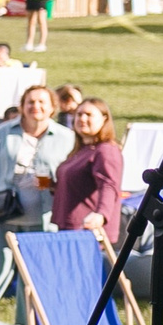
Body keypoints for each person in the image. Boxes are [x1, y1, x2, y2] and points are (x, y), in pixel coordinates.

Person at [0, 85, 73, 320]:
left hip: (43, 219)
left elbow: (68, 177)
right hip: (3, 215)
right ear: (22, 106)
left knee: (32, 280)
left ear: (52, 108)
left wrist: (45, 181)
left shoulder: (65, 138)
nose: (36, 107)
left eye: (42, 102)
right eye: (30, 102)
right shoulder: (5, 133)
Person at [52, 98, 123, 242]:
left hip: (89, 231)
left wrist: (101, 215)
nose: (82, 119)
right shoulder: (81, 150)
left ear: (104, 119)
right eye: (79, 115)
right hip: (68, 228)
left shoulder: (106, 150)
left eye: (89, 115)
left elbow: (108, 186)